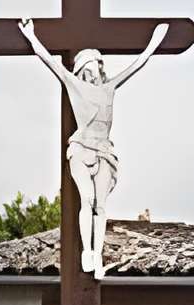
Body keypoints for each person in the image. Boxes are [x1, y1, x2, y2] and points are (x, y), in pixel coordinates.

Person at [18, 17, 170, 276]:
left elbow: (137, 65)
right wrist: (32, 36)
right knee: (86, 200)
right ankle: (87, 252)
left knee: (100, 205)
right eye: (89, 65)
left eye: (96, 65)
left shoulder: (109, 87)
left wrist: (155, 43)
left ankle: (96, 255)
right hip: (81, 148)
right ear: (82, 69)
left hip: (104, 151)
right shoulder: (74, 85)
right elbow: (50, 61)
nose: (94, 70)